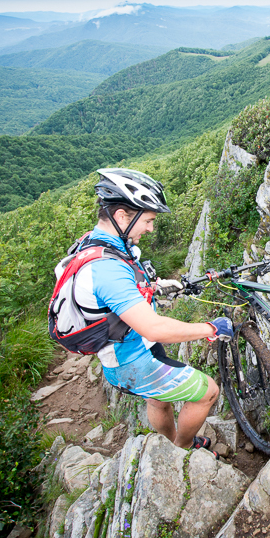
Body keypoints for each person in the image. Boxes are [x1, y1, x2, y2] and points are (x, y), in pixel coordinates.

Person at [74, 167, 232, 454]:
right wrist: (211, 328)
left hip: (131, 348)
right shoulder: (107, 268)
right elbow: (154, 328)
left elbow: (119, 295)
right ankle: (183, 447)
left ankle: (172, 441)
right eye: (147, 220)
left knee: (158, 399)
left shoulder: (101, 244)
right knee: (208, 392)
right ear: (122, 216)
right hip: (131, 360)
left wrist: (155, 287)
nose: (150, 228)